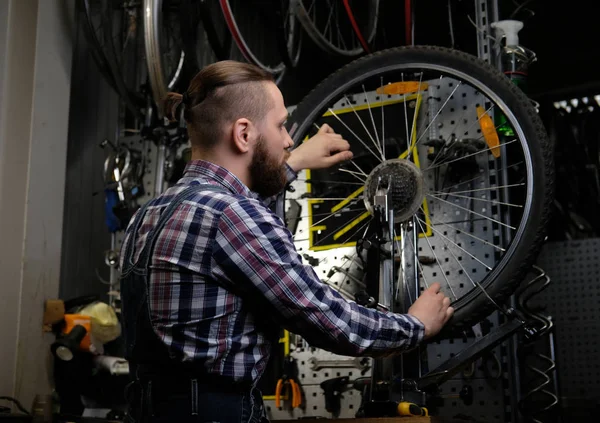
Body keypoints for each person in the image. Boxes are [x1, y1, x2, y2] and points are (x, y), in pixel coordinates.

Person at [119, 60, 454, 423]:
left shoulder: (150, 213)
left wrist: (292, 163)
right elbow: (326, 319)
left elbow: (235, 235)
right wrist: (415, 326)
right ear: (243, 134)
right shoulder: (233, 216)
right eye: (280, 126)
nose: (289, 139)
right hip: (216, 412)